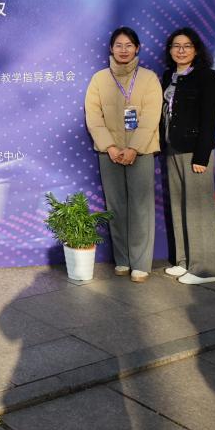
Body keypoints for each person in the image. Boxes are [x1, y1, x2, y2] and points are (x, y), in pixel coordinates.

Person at [84, 27, 163, 283]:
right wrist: (110, 146)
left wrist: (133, 148)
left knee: (140, 207)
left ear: (137, 48)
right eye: (118, 45)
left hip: (141, 151)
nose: (124, 50)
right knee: (116, 206)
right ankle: (123, 259)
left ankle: (141, 263)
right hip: (110, 153)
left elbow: (151, 117)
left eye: (129, 45)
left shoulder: (149, 78)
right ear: (111, 48)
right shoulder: (99, 79)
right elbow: (93, 117)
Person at [161, 27, 215, 285]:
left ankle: (205, 270)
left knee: (199, 209)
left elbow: (210, 118)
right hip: (172, 147)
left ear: (196, 49)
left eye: (187, 46)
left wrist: (201, 156)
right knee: (179, 205)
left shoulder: (207, 76)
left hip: (195, 151)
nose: (181, 50)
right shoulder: (169, 75)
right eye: (176, 46)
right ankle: (185, 261)